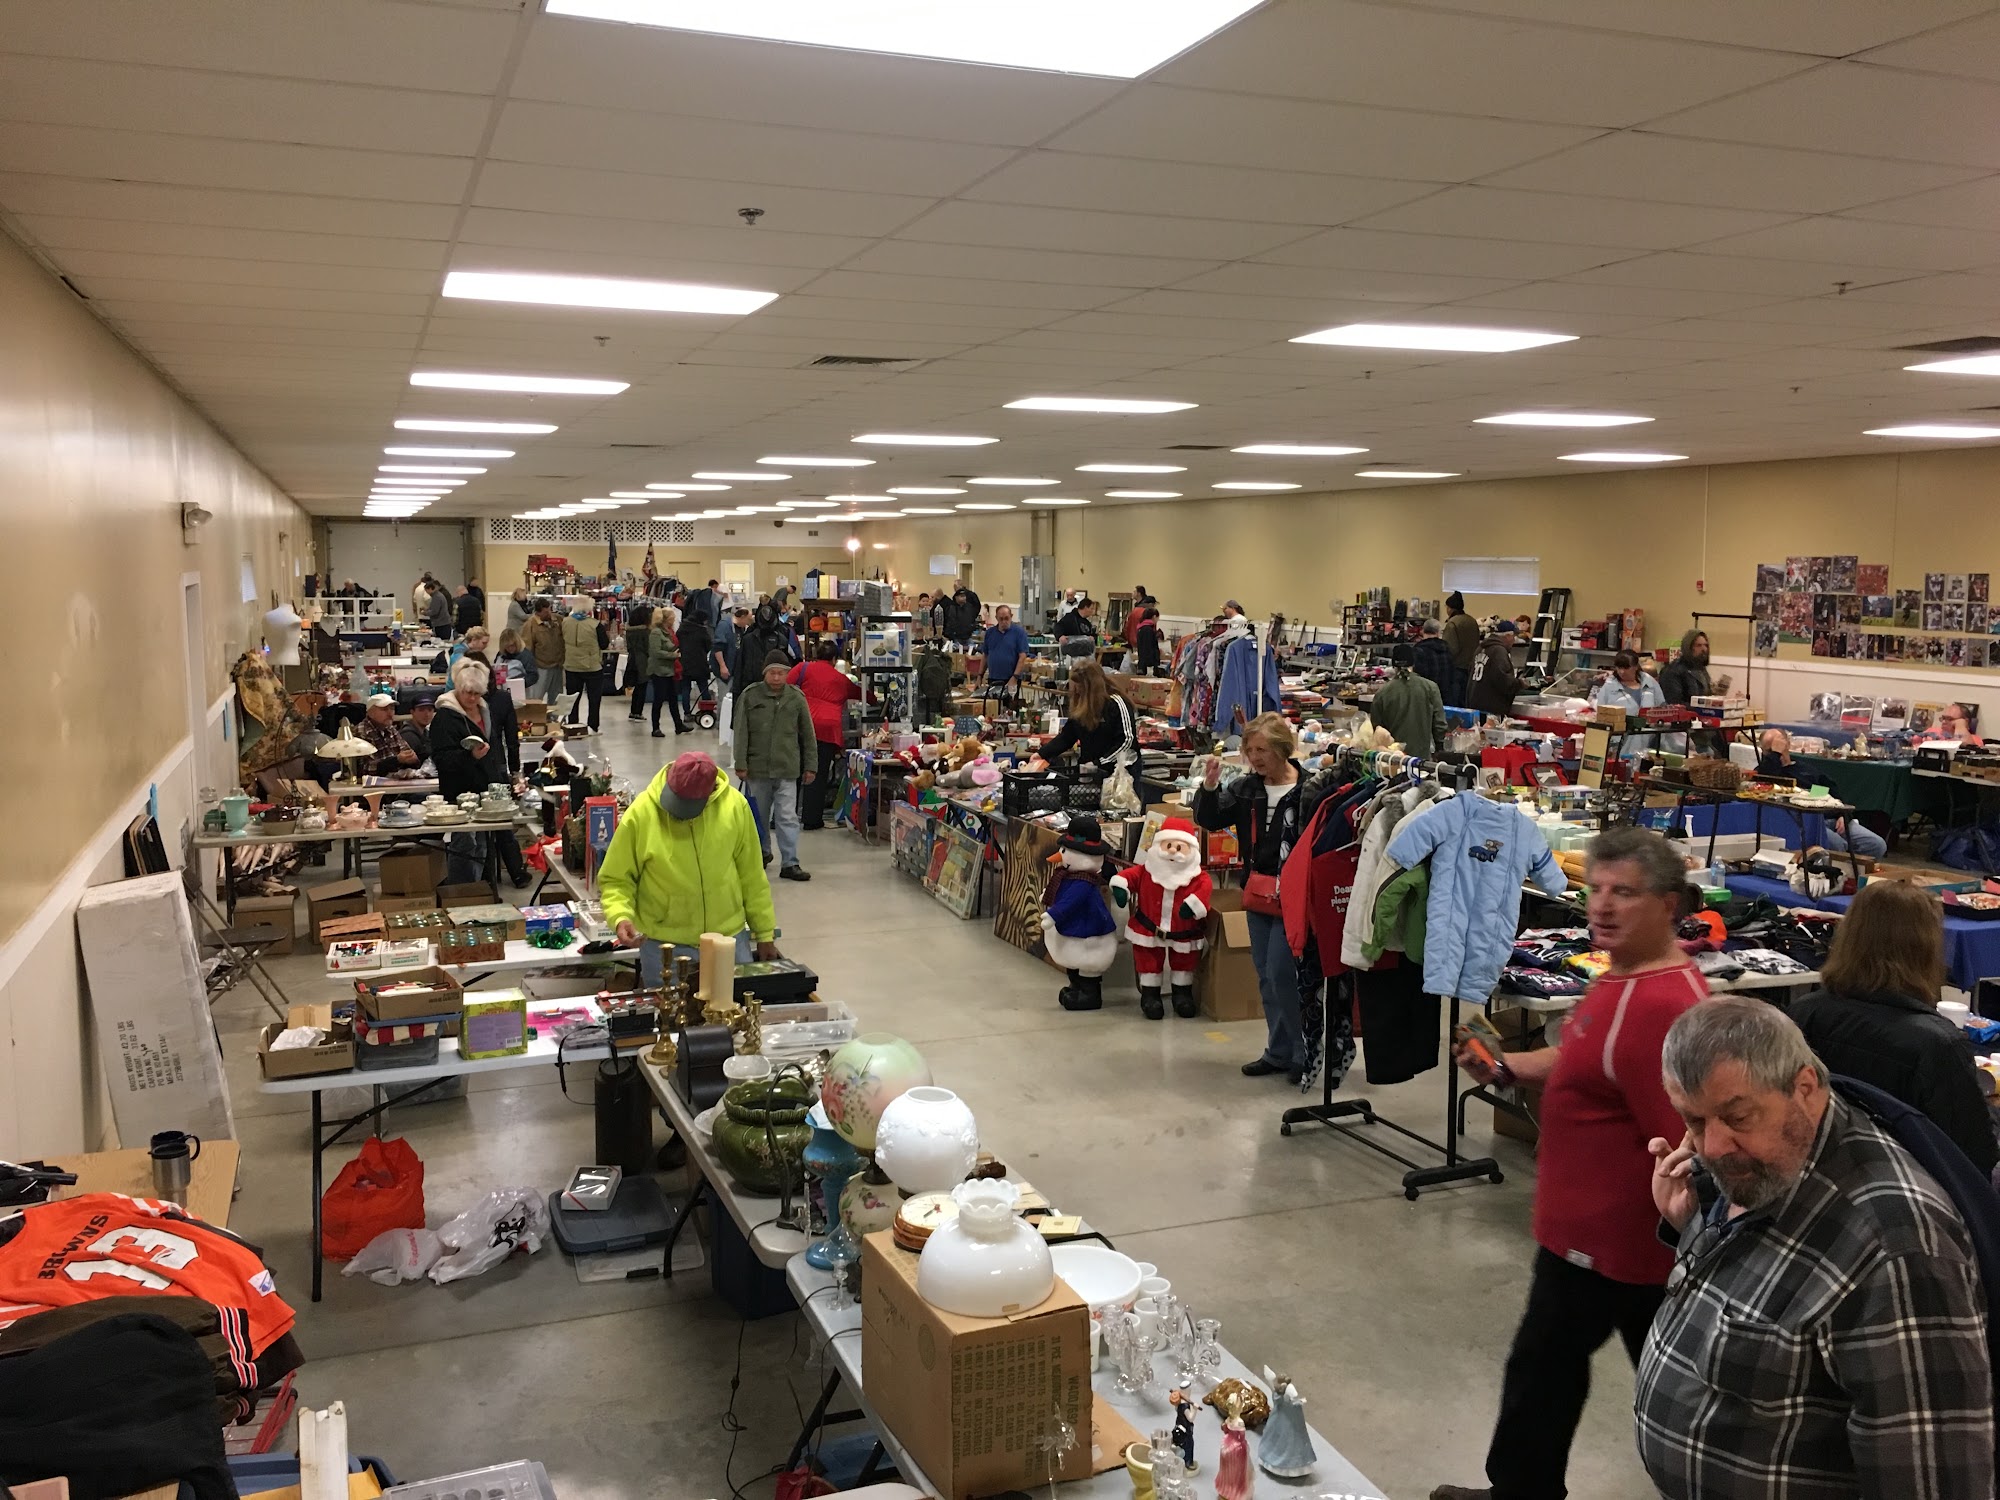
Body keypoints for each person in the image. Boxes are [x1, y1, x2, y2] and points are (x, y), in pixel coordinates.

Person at [1430, 827, 1708, 1500]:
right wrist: (1505, 1067)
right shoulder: (1625, 978)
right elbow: (1586, 1059)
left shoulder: (1661, 1007)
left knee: (1659, 1396)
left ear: (1669, 905)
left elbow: (1685, 1146)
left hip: (1616, 1248)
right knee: (1547, 1372)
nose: (1602, 906)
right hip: (1590, 1240)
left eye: (1625, 893)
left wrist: (1671, 1245)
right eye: (1597, 890)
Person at [1637, 998, 1993, 1500]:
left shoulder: (1897, 1248)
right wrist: (1692, 1224)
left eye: (1737, 1116)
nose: (1711, 1147)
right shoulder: (1767, 1163)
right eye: (1694, 1121)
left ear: (1804, 1087)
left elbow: (1931, 1480)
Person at [1790, 880, 1997, 1173]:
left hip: (1816, 1174)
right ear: (1926, 949)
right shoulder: (1938, 1045)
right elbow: (1975, 1159)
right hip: (1910, 1185)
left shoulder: (1802, 1014)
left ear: (1849, 937)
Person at [1192, 713, 1334, 1083]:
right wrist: (1209, 787)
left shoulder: (1310, 789)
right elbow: (1210, 820)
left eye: (1262, 750)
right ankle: (1279, 1051)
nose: (1255, 757)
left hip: (1296, 897)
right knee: (1267, 978)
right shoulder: (1245, 788)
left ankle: (1306, 1052)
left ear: (1282, 749)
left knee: (1284, 974)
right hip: (1258, 894)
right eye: (1250, 750)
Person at [601, 751, 783, 987]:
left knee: (736, 1007)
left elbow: (752, 877)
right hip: (663, 946)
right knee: (667, 1009)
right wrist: (620, 916)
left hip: (728, 941)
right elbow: (616, 879)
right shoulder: (641, 814)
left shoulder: (735, 807)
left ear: (710, 793)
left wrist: (765, 934)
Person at [429, 658, 522, 885]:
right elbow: (441, 759)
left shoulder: (484, 711)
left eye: (477, 694)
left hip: (485, 791)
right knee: (464, 844)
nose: (472, 698)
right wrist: (470, 756)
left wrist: (504, 781)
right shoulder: (444, 717)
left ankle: (476, 888)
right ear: (458, 689)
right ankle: (460, 892)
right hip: (459, 792)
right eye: (468, 693)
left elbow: (495, 748)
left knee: (482, 844)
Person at [736, 658, 817, 882]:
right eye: (772, 672)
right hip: (757, 768)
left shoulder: (796, 698)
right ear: (764, 673)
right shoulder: (750, 696)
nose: (776, 677)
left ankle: (790, 862)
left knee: (787, 816)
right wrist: (740, 762)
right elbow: (741, 731)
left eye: (781, 673)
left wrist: (811, 765)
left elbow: (808, 734)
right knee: (759, 816)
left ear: (788, 674)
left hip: (787, 767)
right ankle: (761, 854)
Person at [1755, 727, 1889, 857]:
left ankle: (1850, 868)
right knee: (1838, 846)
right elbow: (1766, 781)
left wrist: (1843, 815)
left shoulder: (1805, 769)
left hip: (1831, 817)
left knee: (1876, 845)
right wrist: (1775, 754)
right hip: (1807, 823)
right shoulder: (1766, 772)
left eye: (1779, 746)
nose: (1776, 753)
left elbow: (1827, 791)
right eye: (1770, 750)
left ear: (1788, 745)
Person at [790, 642, 859, 831]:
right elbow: (860, 693)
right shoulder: (841, 679)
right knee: (818, 774)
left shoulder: (802, 668)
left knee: (794, 771)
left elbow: (784, 686)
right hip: (827, 729)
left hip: (801, 724)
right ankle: (812, 820)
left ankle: (784, 816)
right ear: (835, 659)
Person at [1025, 660, 1133, 777]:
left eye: (1080, 687)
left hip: (1120, 772)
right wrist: (1041, 754)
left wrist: (1098, 763)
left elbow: (1127, 741)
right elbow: (1067, 737)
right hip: (1088, 769)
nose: (1076, 691)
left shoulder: (1116, 704)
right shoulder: (1081, 706)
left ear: (1092, 686)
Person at [1369, 644, 1447, 757]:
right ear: (1413, 663)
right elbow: (1440, 725)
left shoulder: (1382, 693)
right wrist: (1440, 747)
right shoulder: (1430, 687)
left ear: (1394, 666)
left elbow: (1377, 730)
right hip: (1422, 759)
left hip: (1393, 759)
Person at [1592, 649, 1666, 763]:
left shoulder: (1650, 682)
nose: (1621, 672)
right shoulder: (1609, 687)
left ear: (1635, 666)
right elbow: (1601, 715)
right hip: (1619, 743)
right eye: (1619, 667)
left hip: (1648, 742)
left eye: (1626, 668)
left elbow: (1661, 706)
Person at [560, 604, 607, 732]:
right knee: (594, 699)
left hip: (571, 665)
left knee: (572, 699)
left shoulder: (565, 622)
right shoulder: (595, 624)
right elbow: (604, 644)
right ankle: (593, 726)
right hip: (592, 667)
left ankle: (572, 725)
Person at [349, 691, 417, 775]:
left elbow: (405, 751)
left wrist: (411, 758)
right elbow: (364, 769)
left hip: (394, 779)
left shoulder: (391, 729)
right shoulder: (361, 732)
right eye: (384, 709)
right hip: (372, 782)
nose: (390, 713)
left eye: (392, 708)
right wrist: (396, 760)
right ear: (370, 713)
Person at [1466, 619, 1524, 718]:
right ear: (1508, 636)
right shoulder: (1499, 651)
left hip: (1475, 703)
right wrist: (1520, 683)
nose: (1514, 640)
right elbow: (1503, 681)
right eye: (1514, 636)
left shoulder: (1480, 648)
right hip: (1491, 707)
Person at [1658, 628, 1729, 706]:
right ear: (1688, 647)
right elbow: (1674, 703)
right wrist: (1701, 707)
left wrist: (1716, 696)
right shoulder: (1672, 671)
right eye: (1698, 645)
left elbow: (1705, 697)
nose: (1704, 649)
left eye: (1706, 645)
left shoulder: (1701, 669)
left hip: (1702, 713)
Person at [648, 605, 689, 736]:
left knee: (673, 699)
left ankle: (678, 725)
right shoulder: (656, 633)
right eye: (672, 617)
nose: (674, 619)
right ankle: (655, 728)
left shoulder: (669, 631)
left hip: (670, 669)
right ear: (666, 619)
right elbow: (656, 652)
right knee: (659, 699)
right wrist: (673, 655)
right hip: (659, 670)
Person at [980, 605, 1032, 700]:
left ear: (1011, 616)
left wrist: (1015, 677)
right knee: (994, 706)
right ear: (996, 618)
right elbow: (985, 655)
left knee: (1009, 706)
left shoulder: (1019, 633)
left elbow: (1022, 657)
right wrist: (980, 676)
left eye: (1006, 618)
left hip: (1011, 678)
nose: (1004, 622)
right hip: (994, 678)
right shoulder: (990, 633)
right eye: (1001, 619)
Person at [1441, 591, 1479, 707]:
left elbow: (1450, 648)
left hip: (1456, 669)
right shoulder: (1472, 621)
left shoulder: (1452, 623)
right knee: (1466, 702)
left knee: (1455, 704)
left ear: (1450, 608)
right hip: (1471, 668)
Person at [677, 605, 714, 725]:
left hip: (684, 662)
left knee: (685, 689)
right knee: (703, 688)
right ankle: (707, 711)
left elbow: (677, 643)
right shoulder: (701, 630)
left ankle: (687, 713)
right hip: (700, 662)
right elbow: (708, 645)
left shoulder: (682, 628)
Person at [523, 598, 564, 702]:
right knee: (537, 697)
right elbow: (527, 648)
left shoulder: (557, 620)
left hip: (557, 665)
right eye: (545, 612)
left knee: (556, 697)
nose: (549, 613)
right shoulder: (530, 624)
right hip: (541, 667)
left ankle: (554, 713)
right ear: (538, 612)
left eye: (549, 610)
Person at [624, 602, 653, 721]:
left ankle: (633, 711)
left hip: (632, 659)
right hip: (643, 661)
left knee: (635, 686)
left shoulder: (629, 631)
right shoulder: (646, 632)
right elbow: (648, 648)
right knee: (642, 686)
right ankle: (638, 712)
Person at [1411, 618, 1453, 699]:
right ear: (1438, 632)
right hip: (1444, 696)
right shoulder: (1447, 649)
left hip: (1425, 696)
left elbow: (1416, 678)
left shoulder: (1418, 651)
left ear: (1422, 631)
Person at [402, 695, 436, 765]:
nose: (427, 714)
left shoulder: (426, 733)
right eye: (421, 710)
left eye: (430, 710)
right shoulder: (408, 735)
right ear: (412, 712)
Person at [1134, 607, 1164, 676]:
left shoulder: (1142, 628)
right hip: (1148, 666)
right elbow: (1148, 648)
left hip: (1143, 662)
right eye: (1157, 618)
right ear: (1154, 617)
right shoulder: (1148, 630)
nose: (1157, 620)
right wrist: (1151, 665)